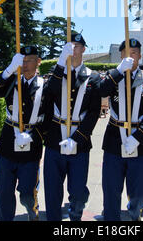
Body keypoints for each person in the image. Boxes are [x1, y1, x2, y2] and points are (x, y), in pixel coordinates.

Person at [99, 38, 143, 221]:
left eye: (134, 53)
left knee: (141, 192)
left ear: (140, 56)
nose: (131, 57)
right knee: (111, 190)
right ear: (121, 55)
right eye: (127, 53)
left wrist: (139, 136)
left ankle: (134, 211)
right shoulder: (113, 75)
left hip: (139, 142)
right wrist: (119, 71)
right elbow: (101, 91)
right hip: (114, 141)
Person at [43, 32, 101, 221]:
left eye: (77, 46)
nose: (73, 49)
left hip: (80, 143)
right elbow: (48, 93)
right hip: (54, 141)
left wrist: (77, 138)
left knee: (77, 190)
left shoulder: (93, 77)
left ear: (84, 49)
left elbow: (93, 113)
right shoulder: (56, 71)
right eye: (69, 46)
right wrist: (60, 63)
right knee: (52, 191)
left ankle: (75, 215)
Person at [0, 46, 47, 221]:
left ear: (38, 62)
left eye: (30, 60)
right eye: (23, 60)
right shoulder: (11, 80)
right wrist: (8, 70)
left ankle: (33, 213)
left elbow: (49, 118)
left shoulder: (46, 86)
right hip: (8, 144)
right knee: (5, 193)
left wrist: (33, 136)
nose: (25, 64)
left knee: (27, 194)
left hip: (31, 147)